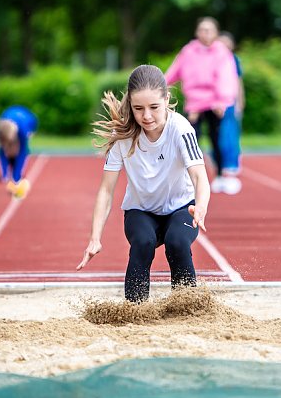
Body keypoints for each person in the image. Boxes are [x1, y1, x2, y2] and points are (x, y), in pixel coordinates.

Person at [77, 64, 211, 303]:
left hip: (180, 208)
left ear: (166, 99)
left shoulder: (180, 129)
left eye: (154, 108)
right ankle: (135, 309)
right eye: (138, 109)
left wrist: (200, 207)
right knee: (143, 242)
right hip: (140, 211)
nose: (146, 116)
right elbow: (106, 191)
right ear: (130, 105)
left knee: (177, 242)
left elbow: (200, 176)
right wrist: (95, 238)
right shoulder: (124, 136)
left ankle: (188, 306)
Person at [165, 17, 241, 194]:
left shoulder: (221, 52)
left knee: (216, 139)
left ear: (215, 32)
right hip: (194, 103)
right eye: (202, 30)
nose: (205, 33)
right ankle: (188, 179)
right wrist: (159, 83)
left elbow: (226, 77)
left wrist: (221, 101)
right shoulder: (189, 51)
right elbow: (175, 70)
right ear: (196, 32)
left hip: (214, 103)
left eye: (209, 30)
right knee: (191, 140)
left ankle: (221, 175)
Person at [216, 32, 244, 176]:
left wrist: (240, 102)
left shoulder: (234, 60)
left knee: (231, 133)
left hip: (230, 103)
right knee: (218, 135)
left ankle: (232, 162)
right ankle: (220, 162)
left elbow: (238, 83)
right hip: (215, 103)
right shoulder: (213, 59)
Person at [0, 105, 39, 198]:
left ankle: (16, 173)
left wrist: (16, 177)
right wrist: (5, 175)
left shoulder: (23, 130)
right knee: (8, 150)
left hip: (29, 121)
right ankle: (10, 169)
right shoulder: (0, 128)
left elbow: (23, 152)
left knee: (18, 152)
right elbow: (1, 150)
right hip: (10, 121)